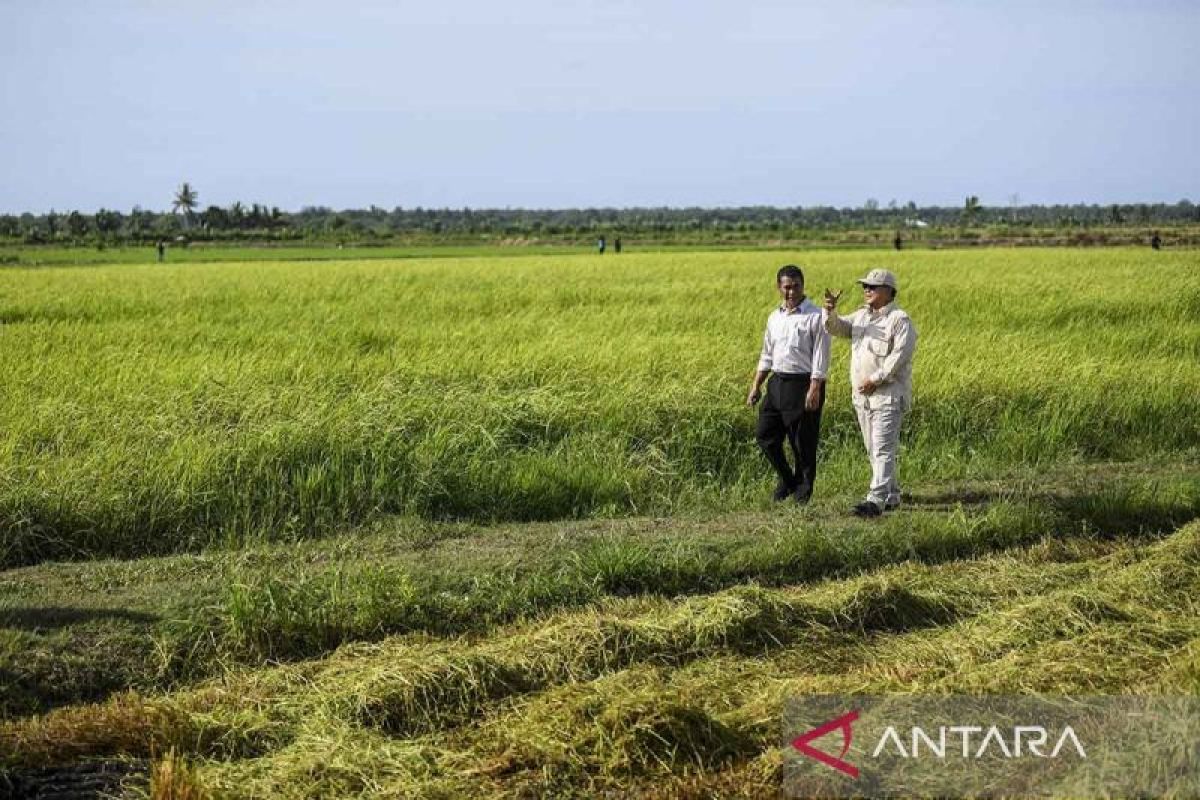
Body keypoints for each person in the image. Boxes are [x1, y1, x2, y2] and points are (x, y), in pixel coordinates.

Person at [823, 268, 917, 518]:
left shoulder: (899, 320)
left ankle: (875, 500)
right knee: (872, 447)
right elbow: (838, 328)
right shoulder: (861, 316)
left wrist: (875, 380)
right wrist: (830, 310)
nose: (867, 290)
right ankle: (892, 494)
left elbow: (899, 357)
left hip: (887, 394)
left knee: (882, 448)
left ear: (888, 291)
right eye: (865, 286)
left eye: (873, 287)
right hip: (863, 396)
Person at [747, 265, 830, 504]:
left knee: (802, 443)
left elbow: (821, 356)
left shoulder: (816, 316)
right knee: (765, 436)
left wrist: (815, 388)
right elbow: (767, 354)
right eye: (786, 287)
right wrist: (756, 385)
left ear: (803, 286)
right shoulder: (774, 317)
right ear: (778, 288)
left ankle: (803, 494)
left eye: (795, 286)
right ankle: (788, 479)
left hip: (804, 382)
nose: (791, 292)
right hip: (777, 382)